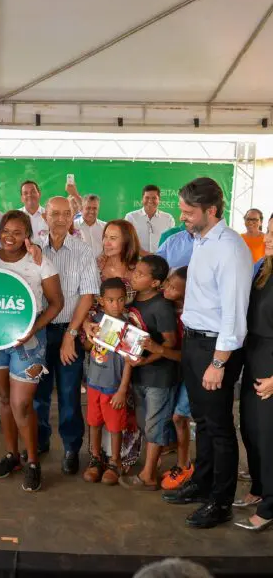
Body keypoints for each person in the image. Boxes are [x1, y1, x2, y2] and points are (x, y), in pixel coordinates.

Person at [162, 177, 252, 530]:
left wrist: (218, 362)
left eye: (188, 211)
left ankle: (221, 501)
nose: (182, 216)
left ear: (210, 211)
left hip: (216, 348)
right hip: (194, 341)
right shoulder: (200, 239)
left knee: (218, 428)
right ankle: (202, 482)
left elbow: (233, 313)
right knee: (202, 420)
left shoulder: (230, 248)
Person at [0, 211, 63, 492]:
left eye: (18, 232)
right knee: (4, 399)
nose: (10, 237)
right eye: (6, 230)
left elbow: (56, 303)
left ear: (27, 236)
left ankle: (32, 462)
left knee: (21, 404)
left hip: (30, 342)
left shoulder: (39, 262)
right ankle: (11, 456)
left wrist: (33, 329)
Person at [35, 196, 101, 474]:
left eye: (66, 213)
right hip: (37, 334)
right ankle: (38, 441)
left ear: (73, 215)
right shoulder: (34, 250)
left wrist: (71, 334)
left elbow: (88, 295)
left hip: (68, 331)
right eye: (54, 214)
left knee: (69, 393)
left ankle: (72, 447)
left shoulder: (83, 251)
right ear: (44, 217)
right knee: (37, 393)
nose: (60, 219)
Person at [118, 255, 178, 491]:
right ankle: (152, 464)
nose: (135, 276)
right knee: (146, 422)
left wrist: (144, 362)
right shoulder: (135, 302)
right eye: (135, 271)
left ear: (155, 283)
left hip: (159, 377)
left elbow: (170, 344)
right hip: (141, 375)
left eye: (141, 274)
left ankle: (148, 476)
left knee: (155, 424)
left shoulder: (161, 306)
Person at [233, 214, 273, 532]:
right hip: (254, 357)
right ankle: (259, 488)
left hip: (271, 366)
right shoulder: (263, 268)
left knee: (268, 436)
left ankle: (271, 505)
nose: (269, 237)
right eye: (269, 231)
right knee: (250, 428)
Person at [142, 267, 194, 490]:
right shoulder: (168, 308)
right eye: (167, 283)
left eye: (173, 288)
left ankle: (184, 466)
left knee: (179, 417)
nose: (166, 288)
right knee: (174, 419)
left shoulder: (191, 316)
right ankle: (181, 462)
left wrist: (157, 349)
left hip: (193, 372)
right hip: (176, 373)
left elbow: (186, 357)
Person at [83, 278, 132, 485]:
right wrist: (89, 334)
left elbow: (130, 362)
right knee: (94, 423)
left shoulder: (129, 327)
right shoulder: (96, 320)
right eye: (110, 300)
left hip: (114, 385)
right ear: (101, 300)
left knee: (114, 427)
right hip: (94, 382)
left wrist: (123, 390)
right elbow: (87, 347)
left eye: (120, 300)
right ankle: (95, 459)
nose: (116, 305)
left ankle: (115, 462)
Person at [125, 185, 175, 255]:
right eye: (147, 197)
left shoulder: (168, 218)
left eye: (154, 198)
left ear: (159, 199)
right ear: (142, 199)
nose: (150, 201)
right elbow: (127, 240)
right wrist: (145, 254)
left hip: (161, 260)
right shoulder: (130, 217)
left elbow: (171, 241)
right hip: (136, 260)